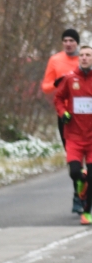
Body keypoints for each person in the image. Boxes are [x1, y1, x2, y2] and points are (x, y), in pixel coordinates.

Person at [43, 29, 82, 212]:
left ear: (77, 43)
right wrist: (57, 82)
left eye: (71, 40)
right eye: (65, 40)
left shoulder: (85, 58)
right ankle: (78, 195)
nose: (68, 44)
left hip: (87, 116)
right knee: (74, 158)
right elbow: (46, 87)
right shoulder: (55, 60)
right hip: (66, 116)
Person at [54, 45, 92, 225]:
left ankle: (87, 212)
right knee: (75, 172)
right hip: (74, 135)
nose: (84, 58)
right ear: (79, 58)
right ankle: (81, 181)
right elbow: (58, 98)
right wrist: (63, 113)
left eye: (88, 55)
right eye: (82, 55)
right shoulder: (69, 78)